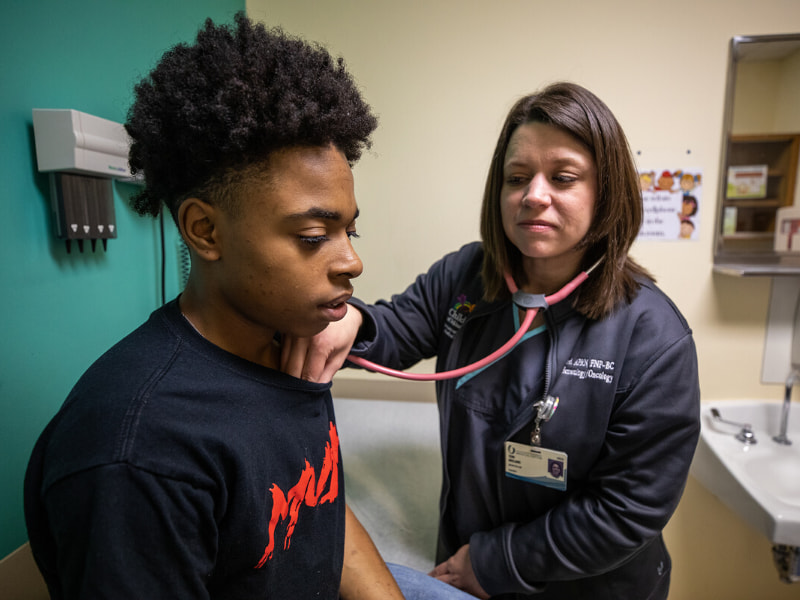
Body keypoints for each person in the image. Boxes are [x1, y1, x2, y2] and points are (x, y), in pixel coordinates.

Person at [23, 13, 403, 599]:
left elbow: (316, 507)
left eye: (351, 231)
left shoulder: (289, 345)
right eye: (312, 236)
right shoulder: (139, 455)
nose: (352, 262)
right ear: (204, 231)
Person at [283, 82, 701, 600]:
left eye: (563, 177)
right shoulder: (468, 275)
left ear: (607, 190)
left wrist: (493, 561)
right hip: (466, 570)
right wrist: (354, 322)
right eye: (517, 177)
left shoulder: (653, 338)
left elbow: (625, 509)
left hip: (584, 586)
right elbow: (396, 328)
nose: (533, 195)